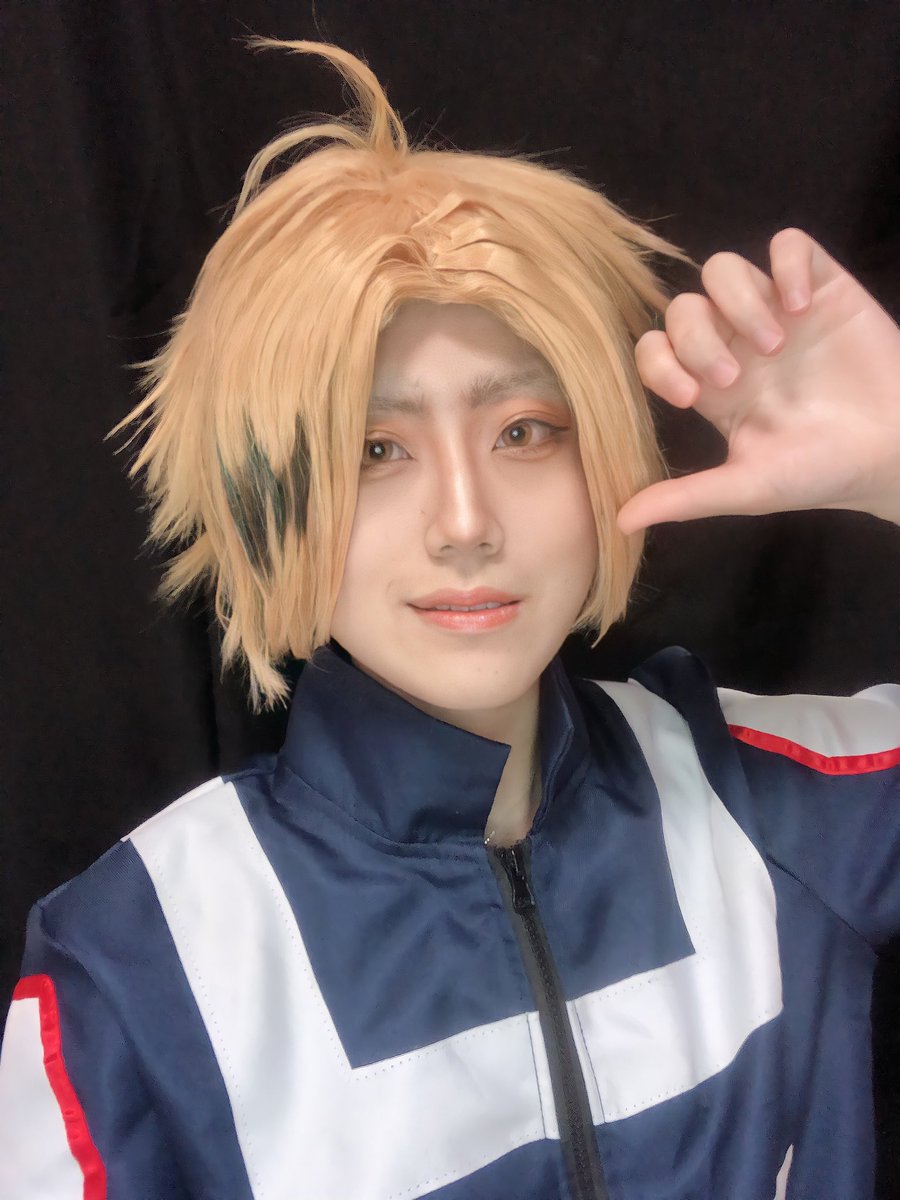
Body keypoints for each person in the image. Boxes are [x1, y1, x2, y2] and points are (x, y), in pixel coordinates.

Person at [0, 38, 898, 1200]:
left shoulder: (760, 797)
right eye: (374, 449)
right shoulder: (135, 967)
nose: (465, 522)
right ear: (268, 497)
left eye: (523, 430)